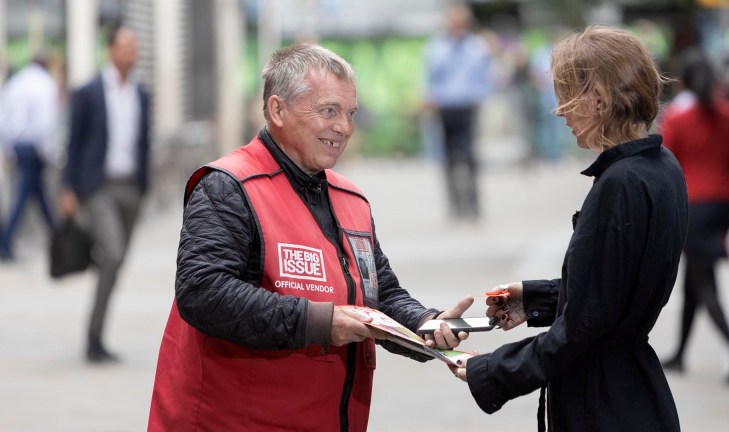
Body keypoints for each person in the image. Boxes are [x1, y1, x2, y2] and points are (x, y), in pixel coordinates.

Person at [148, 43, 473, 431]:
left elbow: (377, 291)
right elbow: (202, 292)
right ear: (277, 110)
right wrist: (319, 322)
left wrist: (424, 325)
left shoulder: (350, 198)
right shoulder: (228, 186)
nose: (345, 127)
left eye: (350, 113)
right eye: (328, 111)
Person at [449, 26, 689, 432]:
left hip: (602, 402)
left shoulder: (621, 183)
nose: (559, 112)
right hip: (634, 391)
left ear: (598, 97)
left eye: (567, 96)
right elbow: (611, 292)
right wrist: (537, 298)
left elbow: (584, 326)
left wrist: (491, 369)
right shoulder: (661, 166)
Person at [59, 25, 151, 363]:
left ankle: (97, 334)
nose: (132, 52)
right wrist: (67, 187)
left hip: (131, 188)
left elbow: (144, 142)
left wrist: (145, 186)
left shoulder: (141, 93)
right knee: (112, 254)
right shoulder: (88, 93)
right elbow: (73, 141)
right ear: (110, 50)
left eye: (135, 46)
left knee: (116, 262)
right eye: (126, 46)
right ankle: (93, 337)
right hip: (99, 188)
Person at [660, 53, 729, 384]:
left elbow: (665, 163)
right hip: (723, 204)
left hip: (693, 205)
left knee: (704, 282)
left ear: (683, 81)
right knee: (695, 280)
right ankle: (681, 354)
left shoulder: (677, 117)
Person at [424, 3, 492, 221]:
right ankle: (455, 205)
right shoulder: (437, 46)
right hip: (445, 108)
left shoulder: (476, 46)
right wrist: (430, 97)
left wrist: (480, 96)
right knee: (448, 159)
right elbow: (430, 77)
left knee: (470, 157)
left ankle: (473, 204)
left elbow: (484, 75)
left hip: (467, 107)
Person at [0, 54, 59, 260]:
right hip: (34, 149)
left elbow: (4, 117)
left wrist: (6, 146)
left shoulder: (17, 82)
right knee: (24, 197)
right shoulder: (45, 84)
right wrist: (49, 152)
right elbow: (46, 123)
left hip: (18, 146)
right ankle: (5, 243)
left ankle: (58, 238)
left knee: (37, 195)